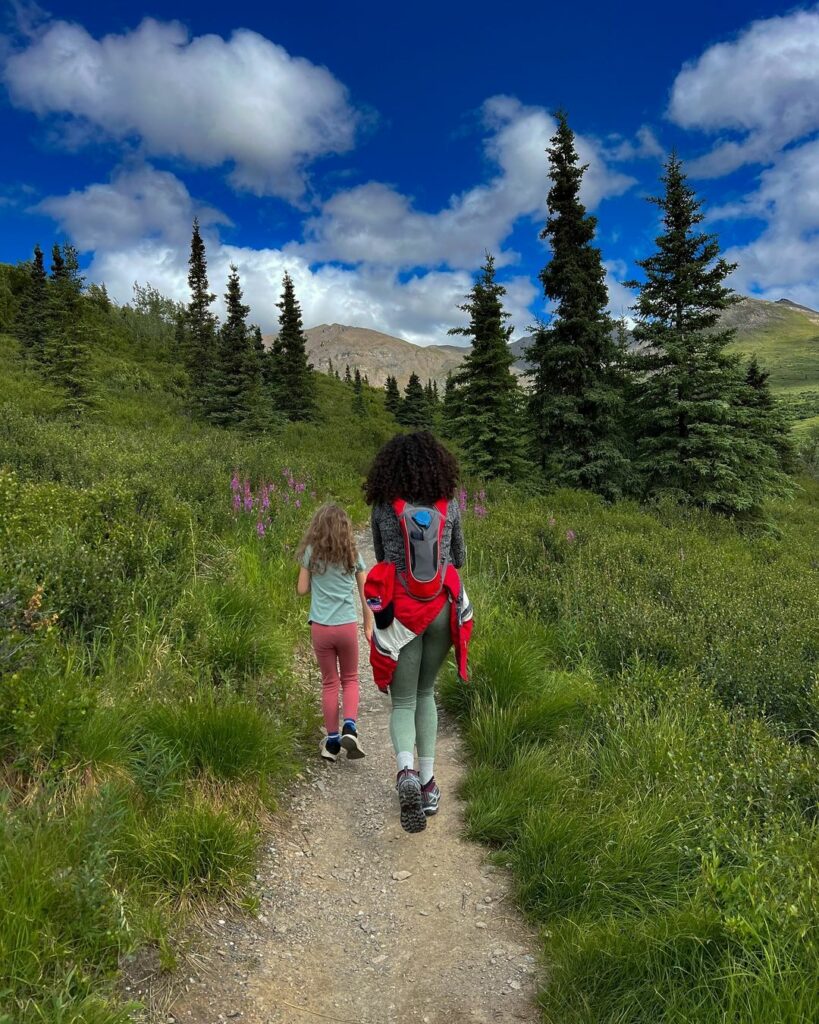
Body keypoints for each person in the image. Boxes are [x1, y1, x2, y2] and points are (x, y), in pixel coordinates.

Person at [364, 431, 473, 833]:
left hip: (402, 614)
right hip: (442, 609)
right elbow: (459, 558)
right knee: (427, 693)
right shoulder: (452, 506)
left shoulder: (382, 508)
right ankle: (427, 786)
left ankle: (405, 772)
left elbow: (380, 558)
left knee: (404, 700)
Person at [297, 503, 373, 762]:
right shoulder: (351, 553)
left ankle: (331, 743)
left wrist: (311, 570)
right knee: (350, 678)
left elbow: (302, 589)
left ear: (317, 527)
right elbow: (366, 593)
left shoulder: (311, 552)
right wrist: (367, 623)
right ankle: (349, 727)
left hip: (320, 627)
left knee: (330, 681)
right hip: (346, 626)